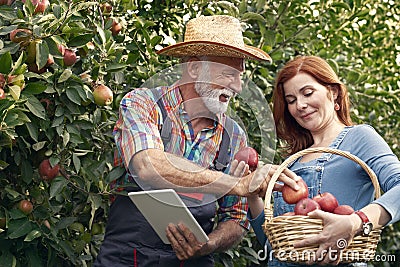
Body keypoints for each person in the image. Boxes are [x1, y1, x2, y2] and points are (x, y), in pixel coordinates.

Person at [94, 15, 298, 267]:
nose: (236, 87)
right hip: (127, 258)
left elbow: (236, 218)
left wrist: (209, 244)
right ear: (193, 68)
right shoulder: (143, 104)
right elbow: (147, 166)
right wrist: (236, 183)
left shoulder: (234, 137)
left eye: (239, 77)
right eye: (228, 74)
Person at [238, 55, 400, 266]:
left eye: (307, 93)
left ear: (333, 92)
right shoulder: (292, 162)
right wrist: (252, 195)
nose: (301, 105)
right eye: (291, 100)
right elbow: (273, 245)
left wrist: (356, 221)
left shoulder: (359, 138)